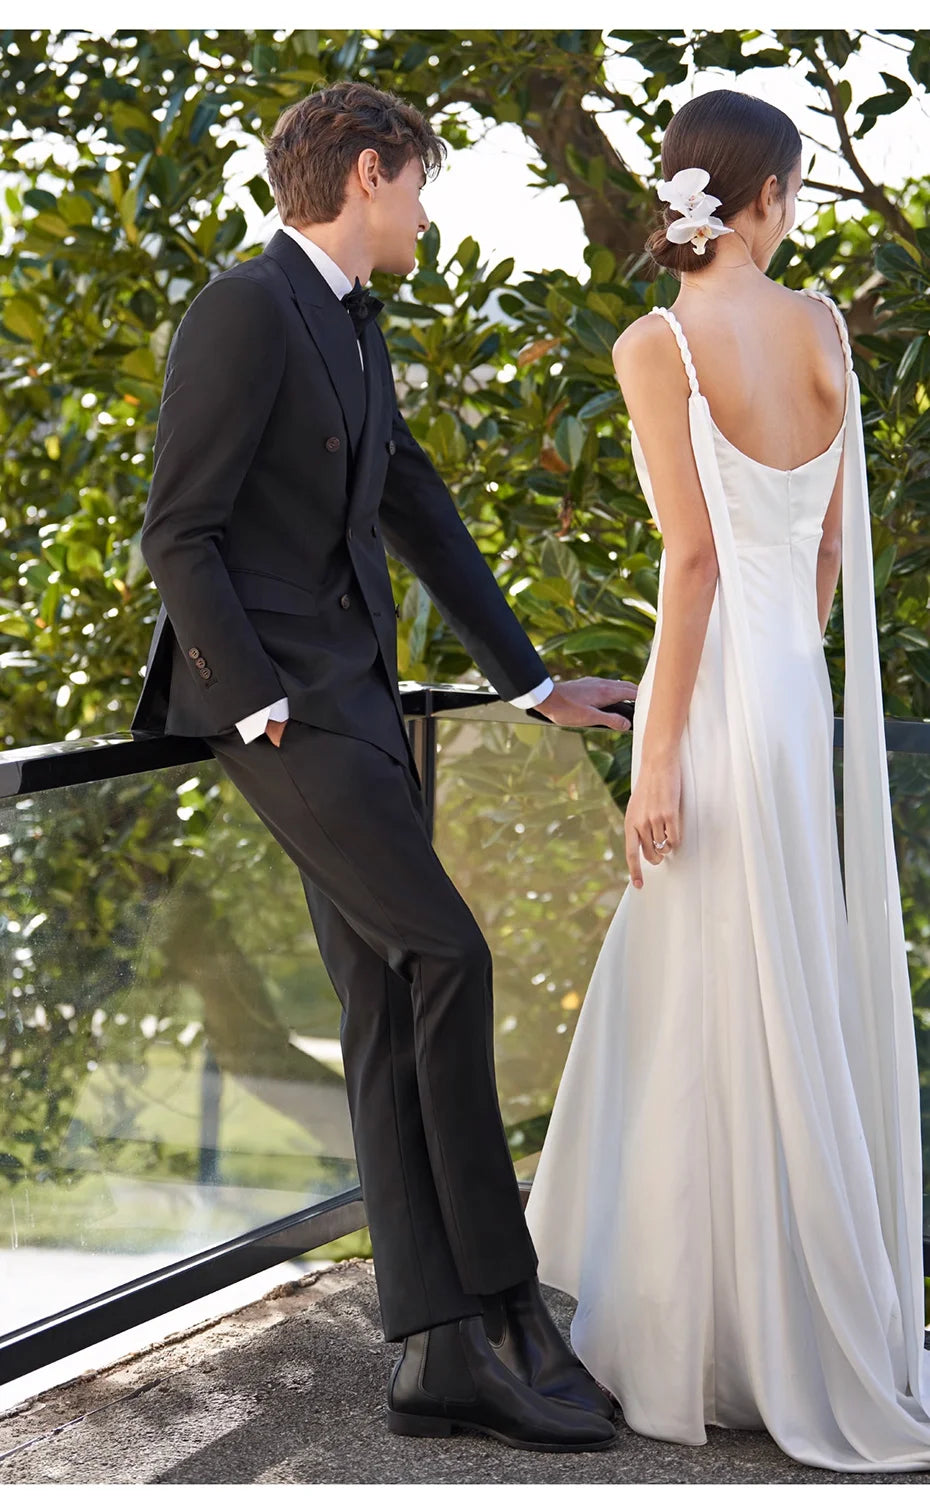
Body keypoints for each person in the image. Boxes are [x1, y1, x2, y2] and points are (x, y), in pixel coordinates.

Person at [132, 79, 636, 1453]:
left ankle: (435, 1356)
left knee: (379, 997)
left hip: (360, 701)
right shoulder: (243, 305)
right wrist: (253, 707)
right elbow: (178, 530)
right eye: (418, 185)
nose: (425, 212)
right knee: (445, 955)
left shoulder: (353, 323)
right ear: (367, 174)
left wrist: (526, 679)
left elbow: (413, 500)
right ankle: (499, 1296)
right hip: (284, 713)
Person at [526, 88, 930, 1472]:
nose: (794, 209)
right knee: (778, 988)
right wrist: (785, 669)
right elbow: (820, 548)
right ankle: (794, 1329)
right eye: (793, 188)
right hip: (792, 692)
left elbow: (684, 564)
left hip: (710, 699)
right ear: (759, 198)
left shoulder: (658, 342)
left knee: (709, 995)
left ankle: (706, 1337)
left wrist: (655, 758)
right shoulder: (819, 328)